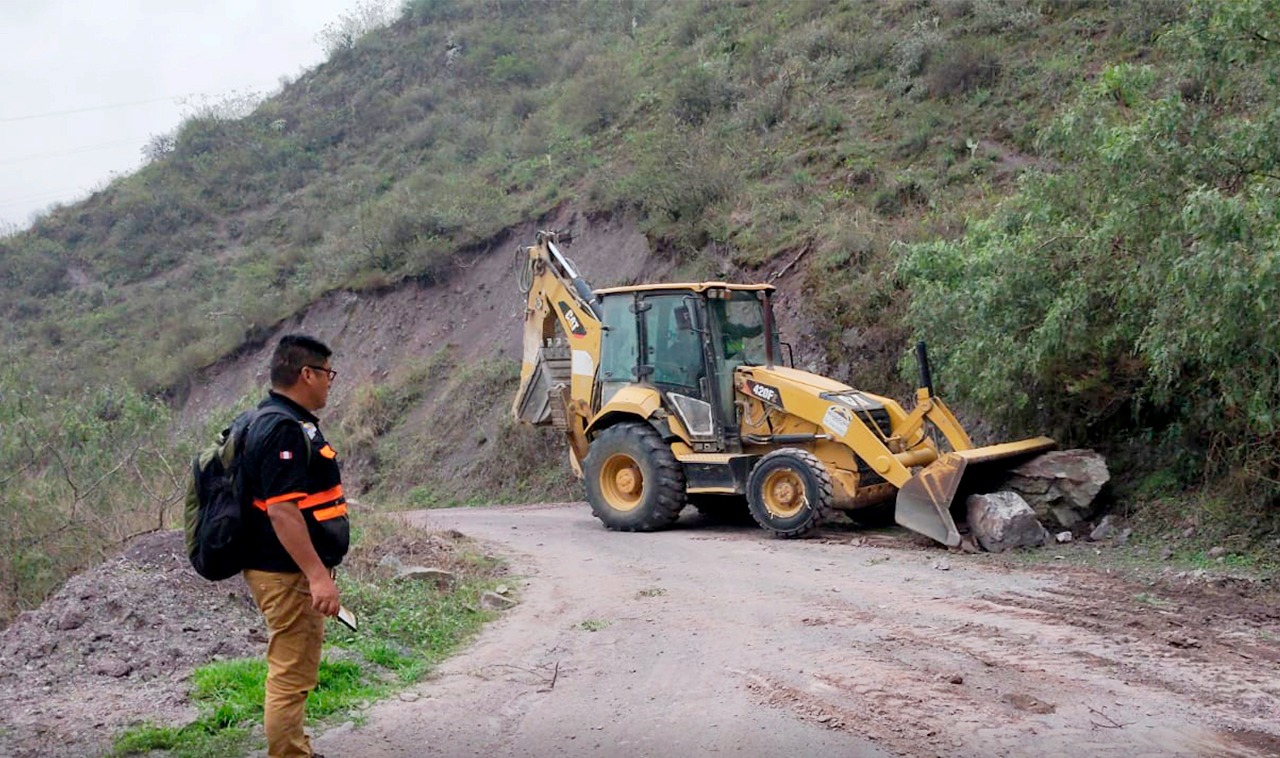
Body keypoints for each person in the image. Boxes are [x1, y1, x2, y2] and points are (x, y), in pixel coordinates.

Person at [241, 334, 348, 758]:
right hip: (287, 574)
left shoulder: (275, 418)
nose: (329, 383)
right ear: (306, 373)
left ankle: (295, 747)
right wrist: (317, 576)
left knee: (296, 668)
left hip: (288, 570)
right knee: (290, 675)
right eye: (326, 374)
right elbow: (282, 512)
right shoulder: (282, 428)